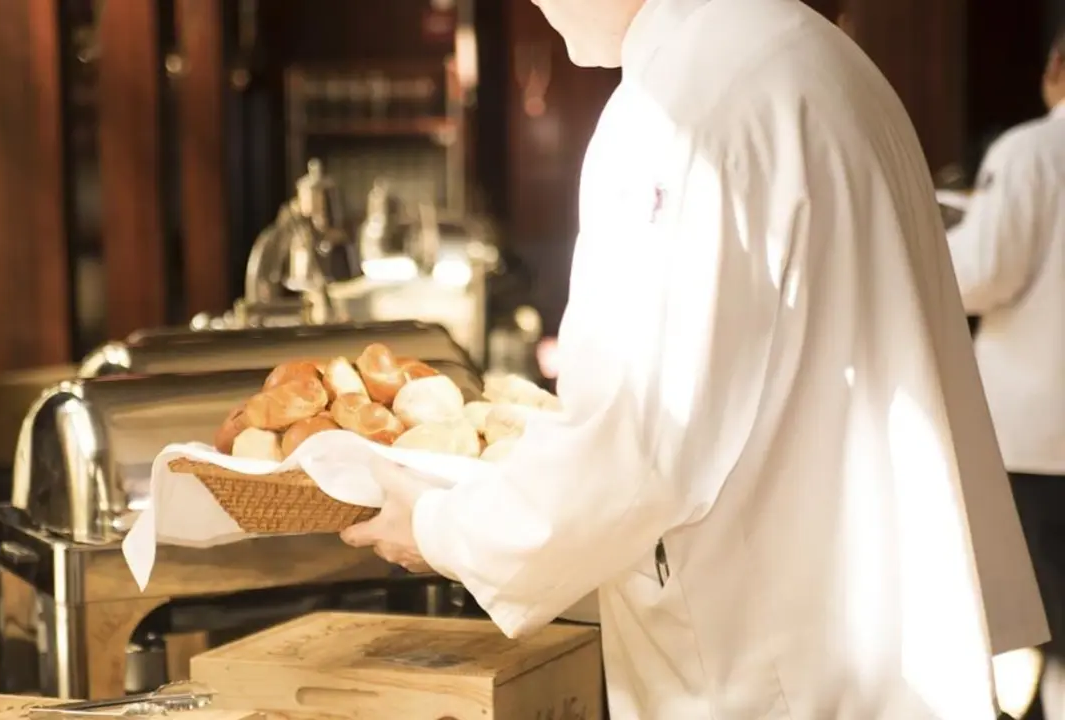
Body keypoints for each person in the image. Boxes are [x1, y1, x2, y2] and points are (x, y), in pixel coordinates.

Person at [341, 0, 1047, 716]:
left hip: (774, 670)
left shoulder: (679, 105)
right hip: (868, 635)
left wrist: (440, 527)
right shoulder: (815, 54)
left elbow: (638, 447)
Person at [947, 26, 1065, 720]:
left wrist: (939, 242)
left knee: (1038, 629)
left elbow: (984, 271)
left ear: (1057, 67)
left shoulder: (1030, 151)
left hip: (1034, 431)